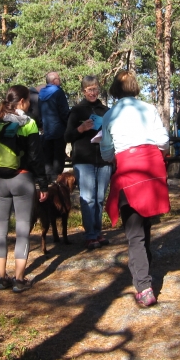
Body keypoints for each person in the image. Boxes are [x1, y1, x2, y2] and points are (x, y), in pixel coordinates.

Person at [100, 70, 171, 308]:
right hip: (150, 169)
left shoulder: (109, 115)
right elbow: (163, 141)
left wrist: (114, 153)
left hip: (128, 171)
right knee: (145, 221)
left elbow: (106, 152)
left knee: (134, 232)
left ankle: (144, 286)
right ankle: (144, 270)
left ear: (115, 90)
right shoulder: (149, 109)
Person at [0, 85, 48, 293]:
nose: (30, 104)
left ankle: (1, 277)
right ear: (22, 101)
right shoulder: (28, 123)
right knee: (22, 229)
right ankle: (19, 279)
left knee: (0, 230)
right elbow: (36, 156)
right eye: (29, 100)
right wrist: (43, 183)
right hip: (22, 179)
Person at [65, 76, 112, 250]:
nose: (93, 92)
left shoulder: (106, 111)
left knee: (99, 199)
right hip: (83, 160)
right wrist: (81, 129)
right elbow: (67, 136)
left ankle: (98, 232)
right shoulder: (76, 111)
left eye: (95, 89)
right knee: (88, 199)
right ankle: (90, 235)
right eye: (89, 89)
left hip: (103, 159)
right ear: (83, 91)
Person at [38, 71, 70, 178]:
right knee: (58, 157)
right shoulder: (58, 92)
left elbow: (39, 111)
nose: (60, 81)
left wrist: (41, 125)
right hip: (59, 130)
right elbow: (64, 111)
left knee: (48, 157)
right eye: (59, 79)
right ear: (54, 81)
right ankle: (57, 179)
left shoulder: (41, 94)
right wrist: (69, 125)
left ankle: (48, 179)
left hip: (46, 130)